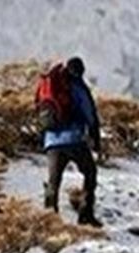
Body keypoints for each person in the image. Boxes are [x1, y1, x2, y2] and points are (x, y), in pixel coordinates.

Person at [41, 56, 102, 227]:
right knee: (90, 173)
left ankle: (49, 219)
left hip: (52, 142)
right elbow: (89, 114)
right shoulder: (77, 86)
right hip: (74, 140)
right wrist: (95, 139)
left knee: (54, 180)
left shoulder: (50, 84)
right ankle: (85, 215)